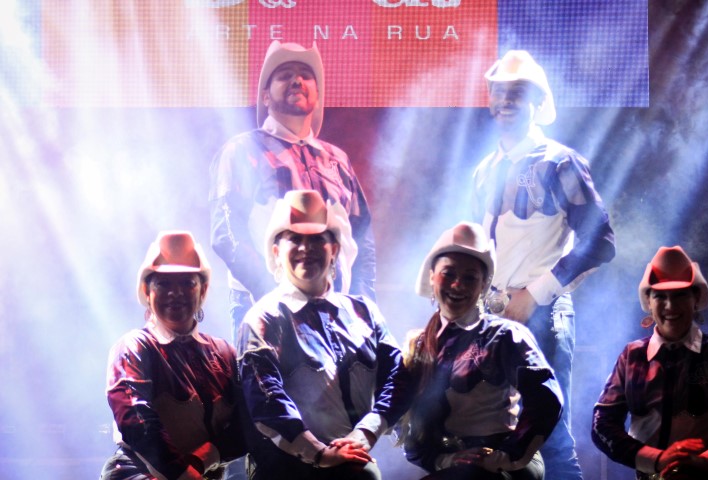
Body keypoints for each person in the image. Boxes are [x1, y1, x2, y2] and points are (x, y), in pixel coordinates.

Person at [471, 50, 616, 479]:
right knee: (494, 435)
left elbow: (601, 242)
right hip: (492, 317)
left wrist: (534, 295)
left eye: (518, 92)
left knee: (547, 436)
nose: (506, 100)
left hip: (542, 313)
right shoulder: (484, 170)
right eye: (499, 91)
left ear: (538, 101)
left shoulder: (560, 161)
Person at [236, 189, 410, 480]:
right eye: (295, 238)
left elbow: (399, 376)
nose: (306, 248)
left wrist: (365, 433)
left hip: (353, 466)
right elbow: (266, 399)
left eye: (317, 239)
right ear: (276, 252)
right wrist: (318, 453)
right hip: (286, 472)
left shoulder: (364, 312)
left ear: (335, 250)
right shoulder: (263, 318)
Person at [209, 40, 376, 343]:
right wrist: (274, 297)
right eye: (285, 75)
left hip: (336, 312)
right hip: (263, 308)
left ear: (318, 92)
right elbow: (226, 233)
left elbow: (362, 240)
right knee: (265, 375)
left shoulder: (337, 159)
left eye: (305, 75)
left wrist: (363, 307)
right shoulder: (242, 150)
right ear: (265, 95)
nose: (297, 80)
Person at [591, 246, 708, 480]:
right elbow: (602, 425)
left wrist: (707, 461)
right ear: (648, 301)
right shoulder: (631, 356)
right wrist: (657, 460)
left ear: (695, 298)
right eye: (660, 296)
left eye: (680, 295)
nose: (670, 306)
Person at [399, 221, 563, 480]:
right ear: (432, 277)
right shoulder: (419, 345)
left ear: (484, 284)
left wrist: (506, 455)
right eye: (448, 274)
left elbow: (547, 398)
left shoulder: (505, 336)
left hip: (507, 463)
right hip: (457, 465)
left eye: (469, 277)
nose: (457, 285)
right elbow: (407, 428)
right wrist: (444, 459)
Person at [101, 231, 245, 480]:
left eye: (187, 283)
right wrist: (182, 472)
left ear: (203, 290)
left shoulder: (224, 353)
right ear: (146, 290)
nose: (175, 292)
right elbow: (136, 420)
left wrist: (203, 459)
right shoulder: (134, 347)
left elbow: (249, 422)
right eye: (164, 283)